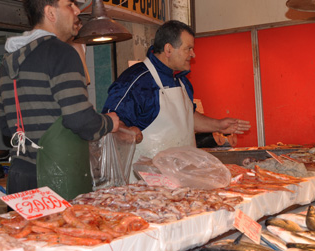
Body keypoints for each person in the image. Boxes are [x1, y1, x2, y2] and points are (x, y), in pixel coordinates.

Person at [0, 0, 133, 199]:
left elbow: (6, 128)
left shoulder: (8, 61)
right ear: (51, 13)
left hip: (20, 178)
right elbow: (79, 120)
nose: (77, 11)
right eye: (70, 4)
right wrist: (110, 122)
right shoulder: (62, 52)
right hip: (55, 180)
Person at [102, 20, 251, 177]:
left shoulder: (181, 80)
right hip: (147, 183)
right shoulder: (136, 80)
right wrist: (128, 133)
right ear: (168, 49)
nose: (193, 54)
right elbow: (110, 123)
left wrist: (218, 125)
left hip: (184, 177)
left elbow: (187, 118)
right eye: (188, 49)